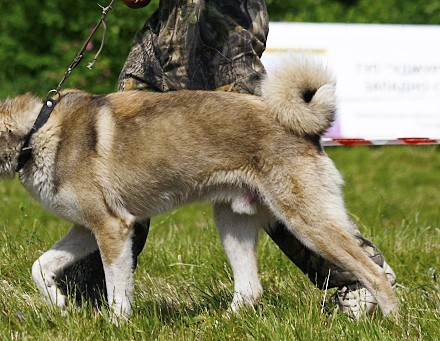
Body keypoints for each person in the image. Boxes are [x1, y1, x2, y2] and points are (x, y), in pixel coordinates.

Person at [58, 0, 396, 318]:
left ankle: (356, 274)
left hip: (222, 25)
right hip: (168, 33)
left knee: (268, 159)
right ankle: (81, 295)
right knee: (119, 158)